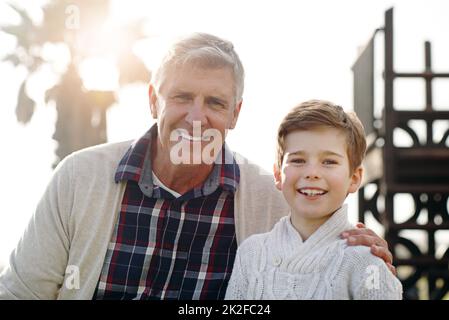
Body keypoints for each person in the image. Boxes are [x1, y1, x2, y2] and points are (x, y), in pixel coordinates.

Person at [0, 33, 394, 300]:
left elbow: (319, 242)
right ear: (154, 100)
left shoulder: (269, 198)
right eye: (182, 97)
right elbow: (21, 292)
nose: (196, 117)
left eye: (215, 103)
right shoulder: (80, 177)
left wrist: (364, 250)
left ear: (236, 113)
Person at [225, 100, 403, 300]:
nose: (312, 173)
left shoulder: (367, 263)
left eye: (329, 162)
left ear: (354, 178)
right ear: (277, 174)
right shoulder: (251, 253)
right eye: (298, 160)